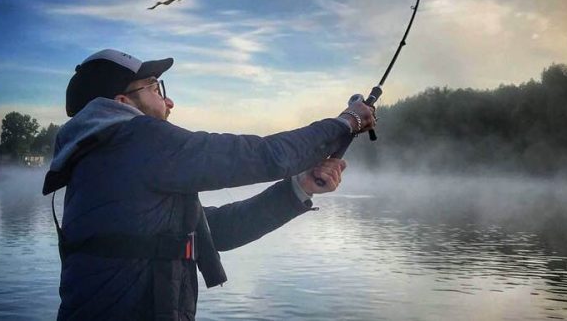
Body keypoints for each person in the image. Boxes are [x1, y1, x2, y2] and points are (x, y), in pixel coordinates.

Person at [42, 49, 375, 321]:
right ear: (122, 103)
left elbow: (215, 232)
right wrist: (347, 122)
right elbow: (263, 156)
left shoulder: (103, 156)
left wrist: (298, 187)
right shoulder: (135, 137)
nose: (169, 102)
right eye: (156, 88)